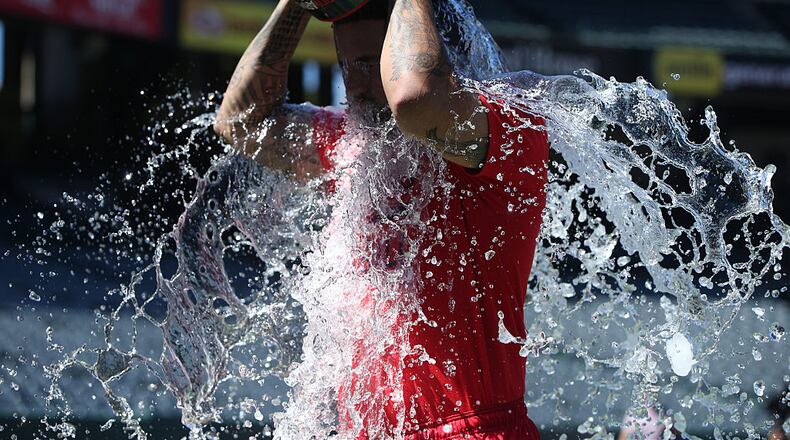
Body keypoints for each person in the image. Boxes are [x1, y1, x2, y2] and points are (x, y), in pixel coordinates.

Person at [214, 0, 549, 438]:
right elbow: (239, 123)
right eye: (347, 65)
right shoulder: (353, 146)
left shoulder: (507, 133)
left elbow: (415, 100)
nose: (360, 86)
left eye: (376, 64)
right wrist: (295, 5)